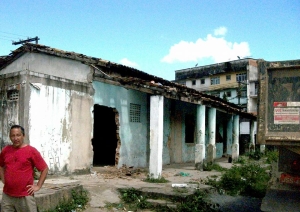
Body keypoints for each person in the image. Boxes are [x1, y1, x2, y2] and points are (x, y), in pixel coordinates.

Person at [0, 125, 48, 212]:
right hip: (7, 195)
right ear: (10, 137)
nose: (15, 138)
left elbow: (44, 168)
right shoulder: (6, 150)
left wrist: (38, 186)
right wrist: (3, 179)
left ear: (23, 136)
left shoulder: (31, 151)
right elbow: (1, 165)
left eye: (18, 135)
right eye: (13, 136)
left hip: (25, 196)